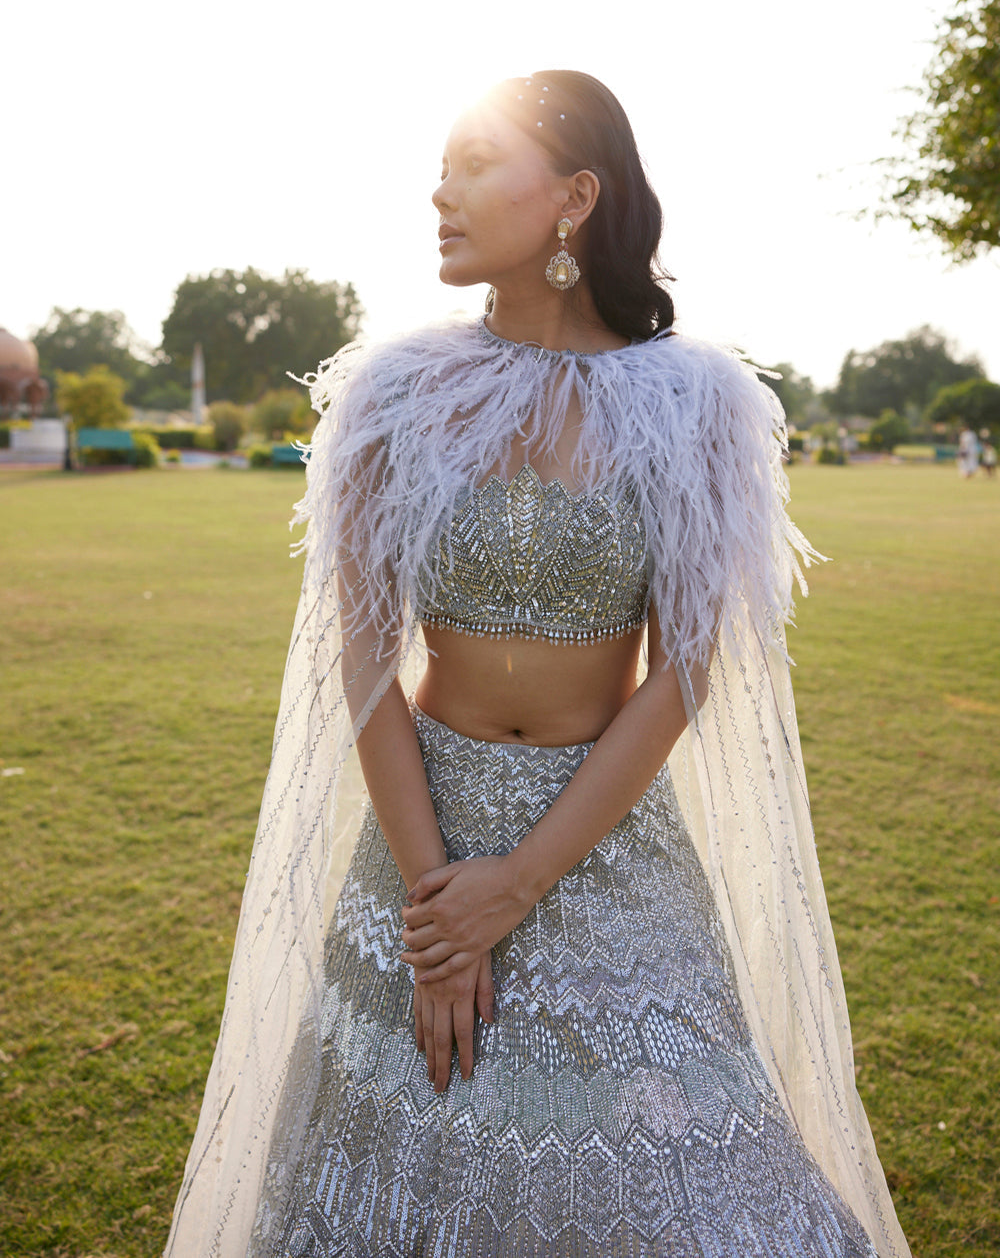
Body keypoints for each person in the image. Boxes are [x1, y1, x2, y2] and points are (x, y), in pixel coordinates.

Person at [166, 71, 910, 1257]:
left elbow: (690, 666)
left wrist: (519, 881)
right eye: (442, 168)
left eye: (472, 163)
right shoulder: (391, 393)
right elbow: (361, 653)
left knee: (689, 1186)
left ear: (574, 197)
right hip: (419, 850)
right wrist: (439, 908)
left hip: (608, 846)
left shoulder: (693, 399)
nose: (439, 191)